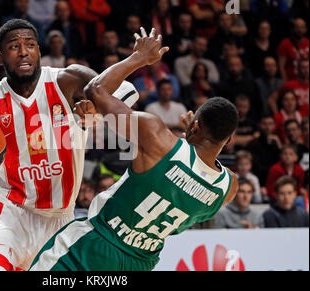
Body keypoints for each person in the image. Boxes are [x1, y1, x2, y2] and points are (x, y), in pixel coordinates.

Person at [30, 28, 239, 271]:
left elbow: (95, 91)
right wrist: (190, 140)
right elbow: (188, 178)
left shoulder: (156, 138)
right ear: (230, 138)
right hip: (139, 263)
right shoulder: (228, 188)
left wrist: (139, 58)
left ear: (196, 125)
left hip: (93, 247)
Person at [0, 19, 138, 271]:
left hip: (61, 219)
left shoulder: (69, 80)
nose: (24, 51)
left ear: (39, 51)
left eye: (30, 44)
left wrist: (97, 113)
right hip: (10, 212)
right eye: (14, 46)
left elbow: (129, 92)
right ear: (0, 56)